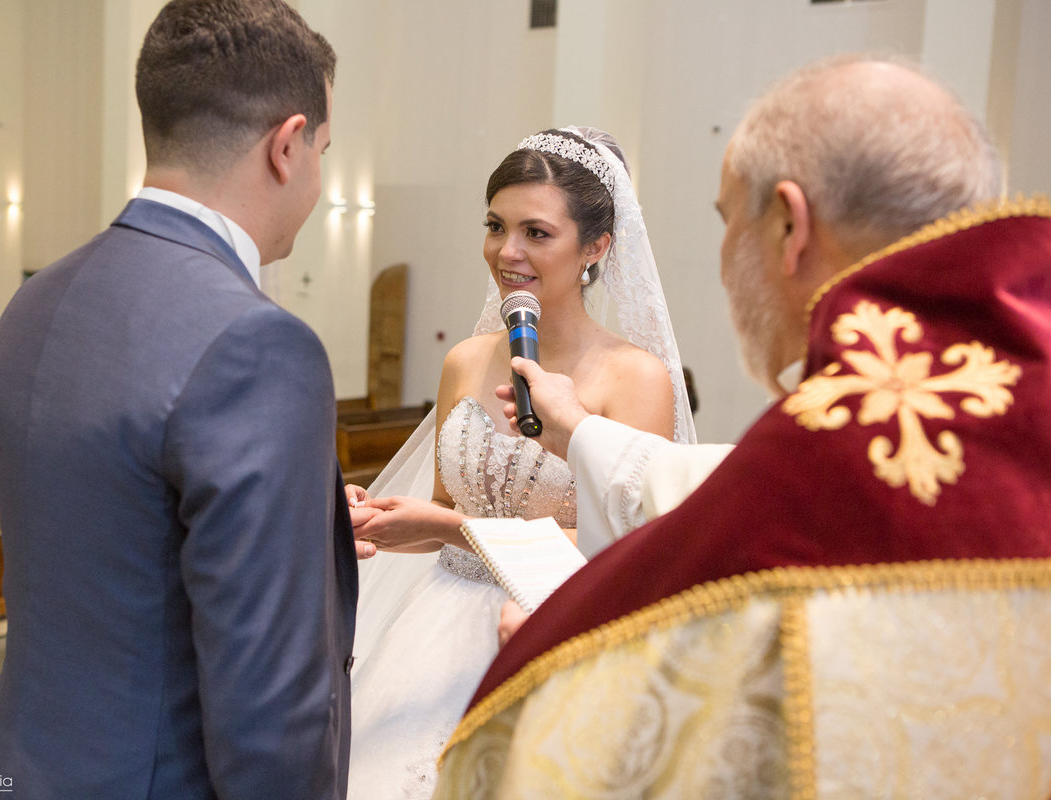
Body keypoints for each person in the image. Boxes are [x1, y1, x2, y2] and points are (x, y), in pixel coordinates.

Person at [436, 56, 1051, 799]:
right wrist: (579, 433)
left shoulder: (788, 485)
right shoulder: (1002, 386)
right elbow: (730, 484)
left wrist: (555, 665)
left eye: (730, 223)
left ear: (790, 225)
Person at [0, 2, 360, 797]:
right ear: (287, 146)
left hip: (30, 765)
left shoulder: (35, 301)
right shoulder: (260, 347)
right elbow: (270, 719)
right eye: (323, 150)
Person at [345, 127, 696, 799]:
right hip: (435, 628)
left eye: (536, 233)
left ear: (595, 247)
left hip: (552, 623)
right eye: (495, 226)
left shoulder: (637, 378)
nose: (507, 252)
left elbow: (627, 541)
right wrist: (386, 520)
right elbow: (447, 509)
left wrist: (450, 531)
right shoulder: (466, 361)